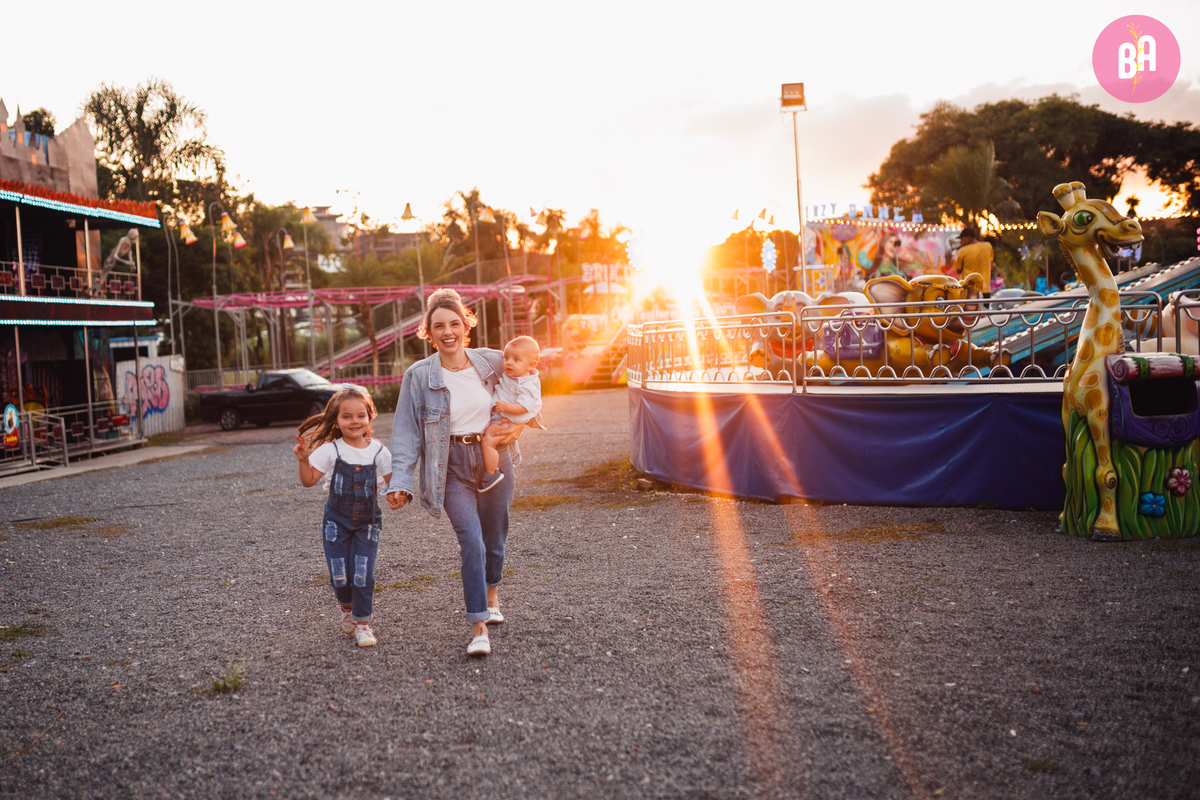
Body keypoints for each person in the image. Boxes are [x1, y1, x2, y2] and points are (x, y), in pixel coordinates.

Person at [385, 288, 527, 657]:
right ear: (428, 333)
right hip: (448, 467)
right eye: (438, 326)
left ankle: (492, 593)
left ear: (466, 325)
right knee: (472, 541)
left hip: (494, 458)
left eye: (454, 323)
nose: (448, 331)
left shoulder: (493, 361)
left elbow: (529, 387)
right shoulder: (418, 376)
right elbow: (405, 433)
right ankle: (479, 626)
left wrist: (520, 426)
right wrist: (400, 482)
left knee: (495, 538)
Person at [293, 387, 392, 648]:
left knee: (362, 573)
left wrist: (398, 496)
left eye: (361, 415)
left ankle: (363, 624)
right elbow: (308, 481)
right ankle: (347, 607)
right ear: (336, 420)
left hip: (367, 524)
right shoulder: (330, 450)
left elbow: (393, 486)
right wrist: (303, 460)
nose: (354, 421)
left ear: (370, 417)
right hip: (336, 523)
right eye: (346, 417)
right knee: (339, 575)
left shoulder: (379, 452)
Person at [479, 336, 542, 493]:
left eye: (516, 359)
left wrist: (506, 406)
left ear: (531, 365)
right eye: (506, 358)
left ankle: (491, 473)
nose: (508, 362)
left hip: (506, 419)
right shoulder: (514, 376)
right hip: (502, 415)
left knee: (487, 441)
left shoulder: (527, 385)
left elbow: (524, 407)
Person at [952, 225, 996, 297]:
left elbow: (959, 270)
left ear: (968, 238)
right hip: (985, 289)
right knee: (985, 308)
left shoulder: (962, 251)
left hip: (969, 290)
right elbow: (990, 259)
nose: (960, 241)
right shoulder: (988, 246)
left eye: (961, 239)